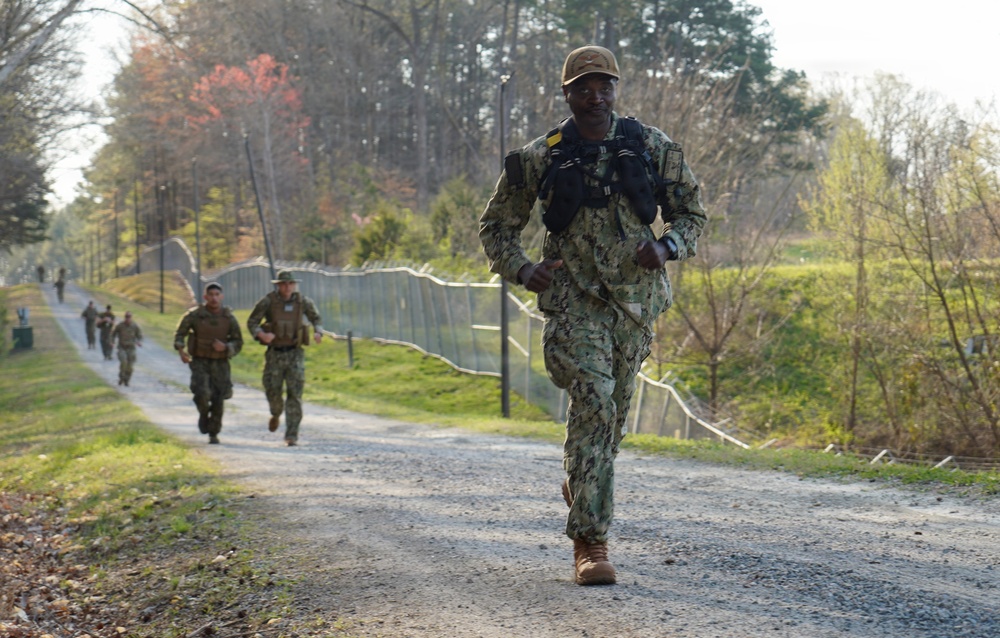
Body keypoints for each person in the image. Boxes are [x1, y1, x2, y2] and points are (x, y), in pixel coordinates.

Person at [479, 45, 707, 586]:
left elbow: (693, 214)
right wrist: (522, 269)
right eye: (583, 86)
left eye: (604, 85)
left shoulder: (652, 146)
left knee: (608, 430)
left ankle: (583, 481)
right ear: (567, 94)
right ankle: (591, 543)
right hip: (574, 303)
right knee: (597, 404)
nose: (595, 95)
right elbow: (496, 227)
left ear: (616, 89)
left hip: (633, 305)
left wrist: (669, 245)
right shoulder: (541, 156)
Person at [246, 270, 323, 446]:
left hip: (295, 353)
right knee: (273, 390)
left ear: (294, 285)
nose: (287, 287)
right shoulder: (268, 302)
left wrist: (318, 331)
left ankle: (292, 434)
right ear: (278, 285)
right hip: (275, 353)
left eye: (290, 284)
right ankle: (275, 412)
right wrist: (260, 335)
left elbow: (316, 318)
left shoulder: (303, 302)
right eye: (284, 284)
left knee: (295, 394)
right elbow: (252, 322)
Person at [174, 283, 244, 445]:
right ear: (205, 297)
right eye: (210, 294)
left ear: (221, 296)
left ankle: (214, 432)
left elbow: (238, 341)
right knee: (202, 393)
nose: (214, 298)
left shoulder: (228, 318)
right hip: (200, 361)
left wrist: (226, 347)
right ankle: (204, 414)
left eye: (217, 294)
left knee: (219, 398)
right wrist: (181, 351)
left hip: (221, 363)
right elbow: (180, 334)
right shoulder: (195, 315)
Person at [110, 311, 143, 386]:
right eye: (126, 317)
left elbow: (140, 336)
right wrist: (112, 342)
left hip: (131, 348)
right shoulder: (120, 326)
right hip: (122, 347)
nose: (128, 319)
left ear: (131, 318)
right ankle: (121, 377)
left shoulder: (135, 326)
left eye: (129, 317)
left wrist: (139, 342)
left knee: (130, 366)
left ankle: (127, 380)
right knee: (123, 362)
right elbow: (113, 334)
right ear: (124, 317)